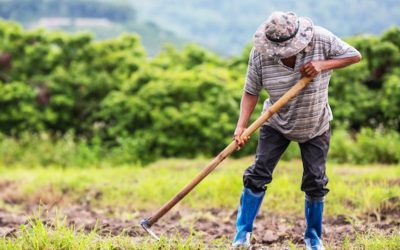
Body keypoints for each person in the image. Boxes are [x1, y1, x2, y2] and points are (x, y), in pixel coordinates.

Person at [232, 11, 361, 249]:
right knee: (257, 174)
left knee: (315, 181)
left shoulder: (321, 39)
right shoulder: (261, 54)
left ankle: (313, 237)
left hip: (315, 123)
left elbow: (354, 56)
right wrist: (241, 127)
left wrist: (322, 65)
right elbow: (251, 90)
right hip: (275, 122)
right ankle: (242, 235)